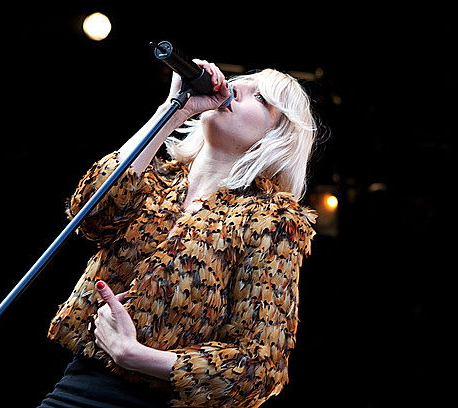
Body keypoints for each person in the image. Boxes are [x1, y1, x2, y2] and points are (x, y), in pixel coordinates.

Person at [38, 59, 318, 408]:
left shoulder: (272, 220)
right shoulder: (154, 181)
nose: (235, 89)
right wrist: (169, 114)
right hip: (75, 388)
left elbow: (259, 367)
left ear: (277, 138)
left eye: (260, 97)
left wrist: (134, 355)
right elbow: (93, 214)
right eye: (238, 82)